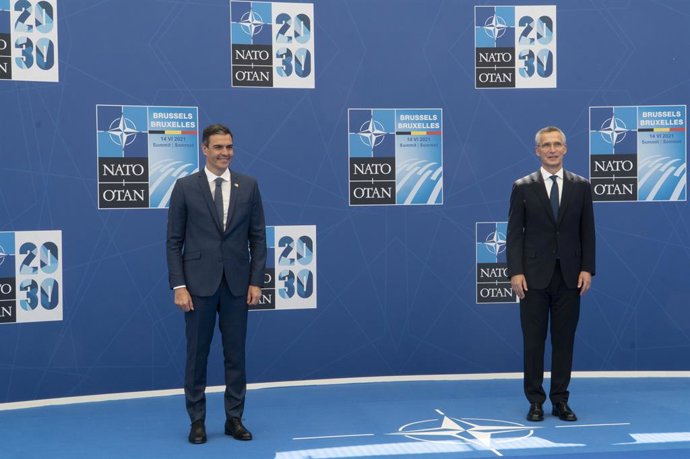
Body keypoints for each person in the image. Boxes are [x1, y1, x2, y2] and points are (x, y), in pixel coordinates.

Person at [166, 123, 267, 444]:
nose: (226, 153)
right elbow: (173, 241)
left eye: (230, 147)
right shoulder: (184, 187)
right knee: (197, 355)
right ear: (205, 149)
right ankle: (197, 421)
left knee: (235, 355)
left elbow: (258, 238)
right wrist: (178, 285)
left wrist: (256, 281)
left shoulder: (248, 186)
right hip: (197, 286)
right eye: (219, 147)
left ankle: (234, 418)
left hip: (238, 285)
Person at [506, 126, 595, 423]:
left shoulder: (582, 186)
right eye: (547, 145)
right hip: (532, 278)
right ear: (537, 151)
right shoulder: (523, 186)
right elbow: (514, 234)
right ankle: (535, 401)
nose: (552, 149)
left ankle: (560, 400)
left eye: (557, 144)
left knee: (564, 341)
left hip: (570, 277)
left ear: (566, 149)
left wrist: (587, 268)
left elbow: (588, 232)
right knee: (533, 342)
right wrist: (515, 272)